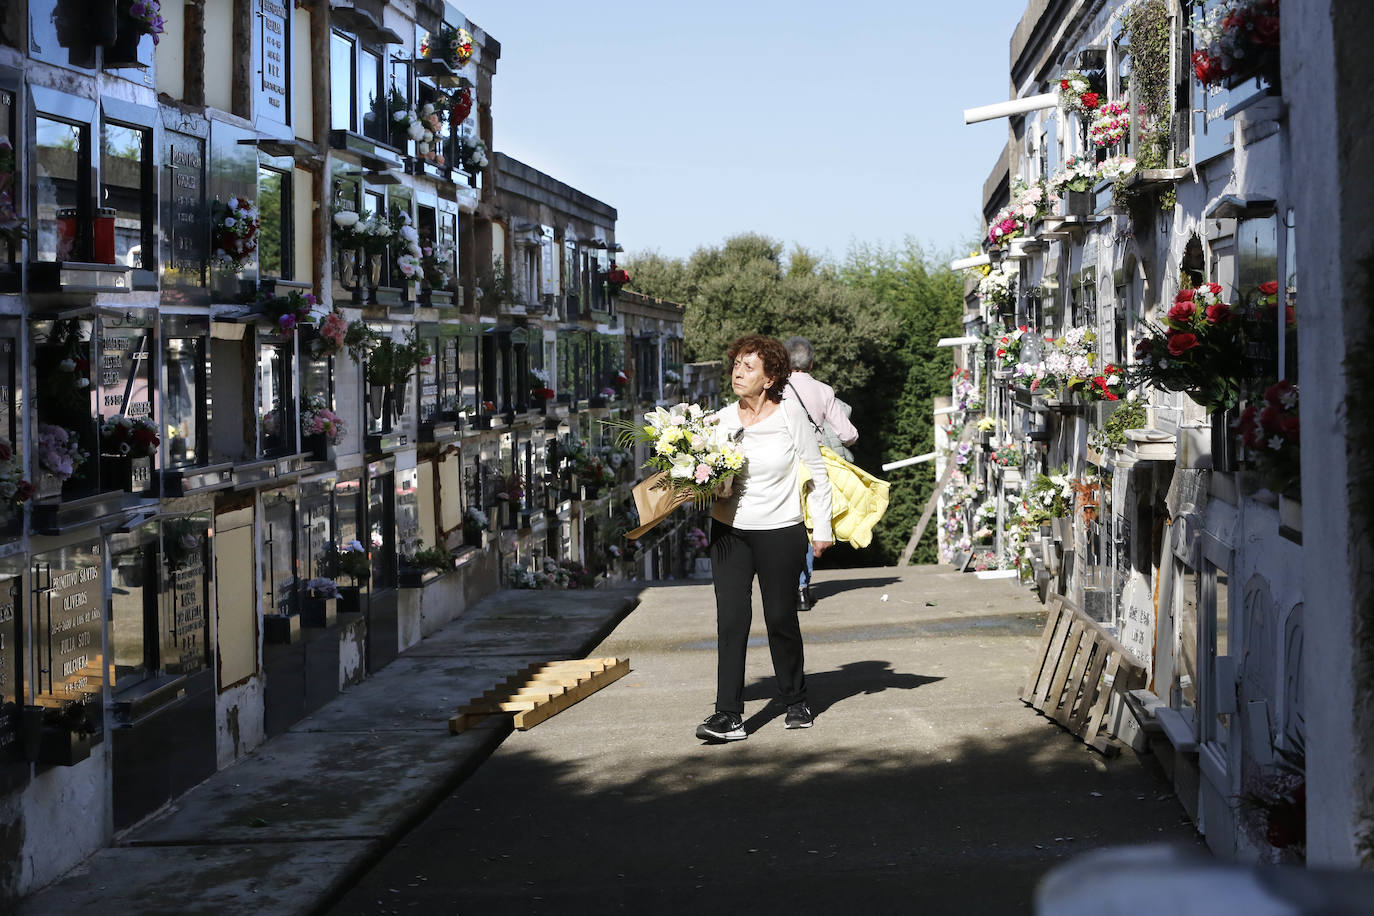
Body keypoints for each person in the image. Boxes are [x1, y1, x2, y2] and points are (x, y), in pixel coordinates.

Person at [696, 335, 833, 742]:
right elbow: (702, 476)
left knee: (779, 618)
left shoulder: (790, 416)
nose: (739, 372)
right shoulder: (719, 422)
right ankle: (728, 715)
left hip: (780, 530)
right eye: (736, 364)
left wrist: (820, 529)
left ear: (770, 377)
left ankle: (796, 699)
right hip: (729, 533)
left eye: (749, 366)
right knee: (732, 621)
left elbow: (818, 474)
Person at [781, 335, 858, 610]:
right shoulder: (824, 391)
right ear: (811, 363)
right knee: (809, 524)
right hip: (814, 463)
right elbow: (848, 434)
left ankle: (783, 584)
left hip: (782, 463)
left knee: (784, 523)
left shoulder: (775, 388)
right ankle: (802, 588)